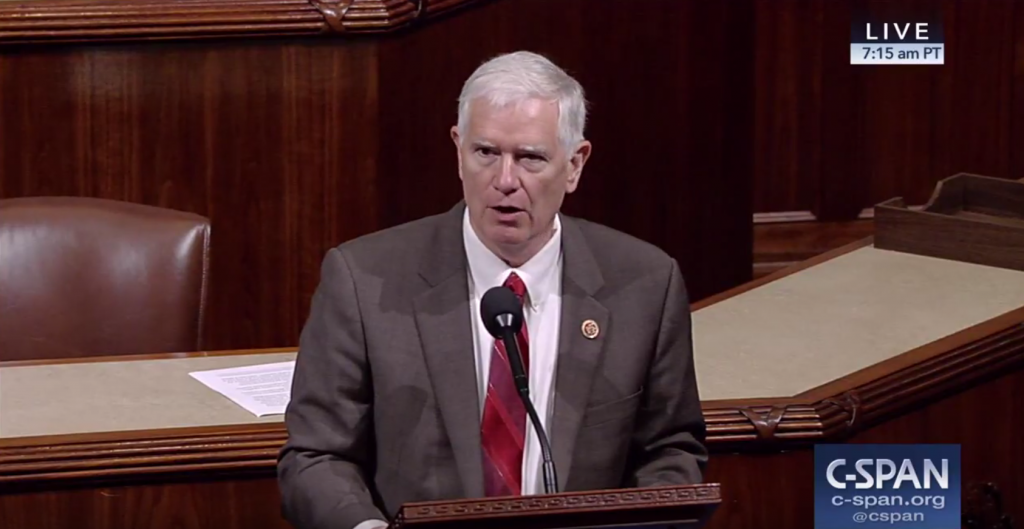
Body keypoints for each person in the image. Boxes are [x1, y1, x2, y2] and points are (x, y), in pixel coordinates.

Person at [277, 50, 707, 529]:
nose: (505, 181)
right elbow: (316, 456)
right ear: (458, 151)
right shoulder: (363, 279)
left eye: (530, 158)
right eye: (486, 153)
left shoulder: (644, 284)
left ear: (574, 164)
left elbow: (670, 453)